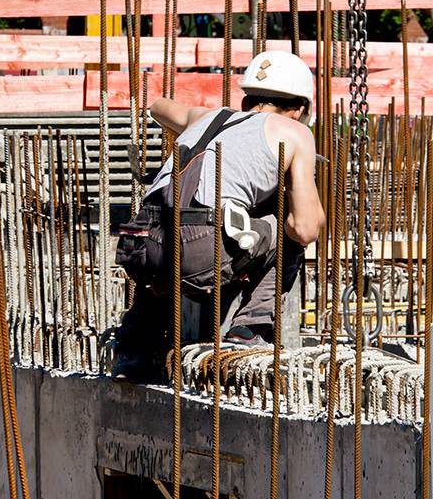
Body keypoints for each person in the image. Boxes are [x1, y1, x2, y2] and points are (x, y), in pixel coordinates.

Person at [112, 50, 325, 376]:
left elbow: (157, 106)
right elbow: (305, 228)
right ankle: (250, 329)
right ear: (298, 110)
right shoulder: (294, 132)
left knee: (172, 234)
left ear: (247, 99)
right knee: (287, 230)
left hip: (139, 244)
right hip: (200, 248)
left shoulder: (207, 117)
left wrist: (191, 122)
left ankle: (136, 344)